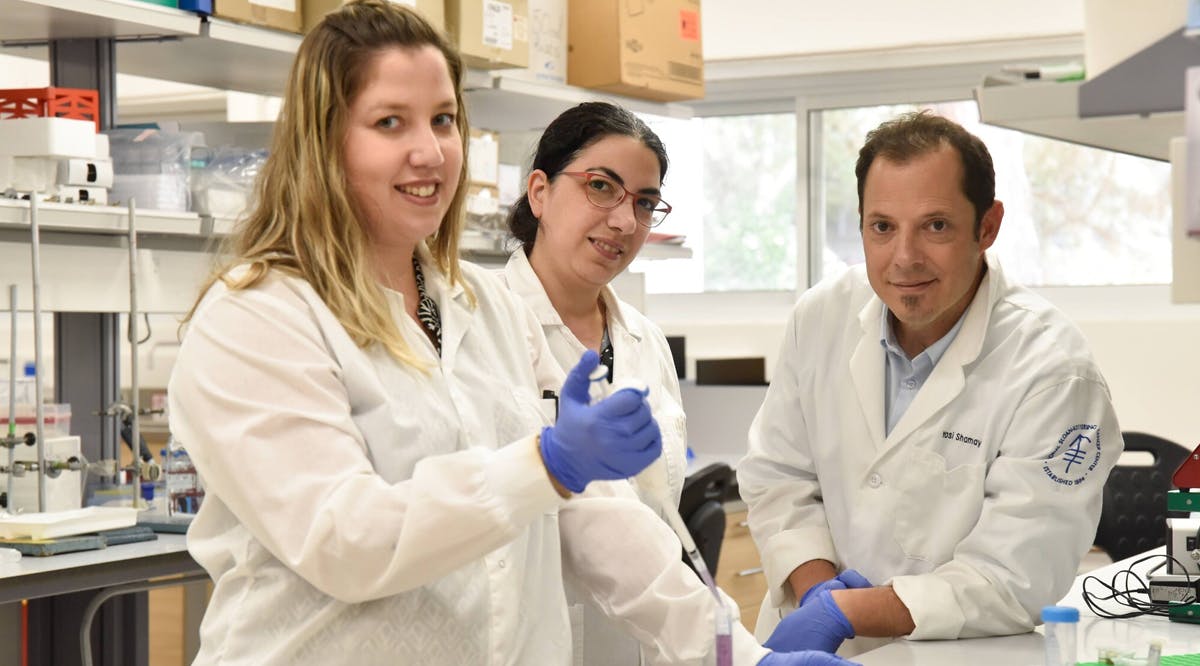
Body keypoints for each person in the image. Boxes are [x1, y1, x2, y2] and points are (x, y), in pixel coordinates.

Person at [169, 2, 850, 664]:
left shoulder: (484, 307)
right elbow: (346, 541)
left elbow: (600, 522)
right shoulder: (258, 316)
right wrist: (544, 465)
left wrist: (736, 654)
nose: (429, 151)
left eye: (443, 120)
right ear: (324, 142)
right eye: (389, 122)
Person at [737, 111, 1123, 657]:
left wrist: (847, 612)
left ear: (987, 226)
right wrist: (817, 590)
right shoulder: (822, 316)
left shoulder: (1054, 371)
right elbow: (778, 477)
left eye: (935, 225)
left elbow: (1014, 576)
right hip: (807, 646)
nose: (905, 257)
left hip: (950, 652)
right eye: (882, 226)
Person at [500, 101, 702, 665]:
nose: (623, 221)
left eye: (643, 203)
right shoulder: (487, 330)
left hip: (647, 646)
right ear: (539, 192)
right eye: (600, 186)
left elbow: (655, 528)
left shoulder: (645, 341)